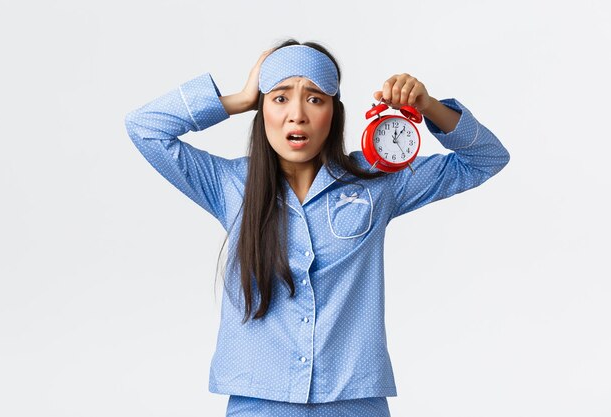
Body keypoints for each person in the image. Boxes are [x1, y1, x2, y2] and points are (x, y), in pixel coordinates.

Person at [124, 38, 510, 417]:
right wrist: (239, 99)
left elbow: (487, 159)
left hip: (354, 400)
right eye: (279, 97)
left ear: (333, 112)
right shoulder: (228, 186)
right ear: (262, 110)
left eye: (314, 98)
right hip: (258, 402)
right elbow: (144, 128)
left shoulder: (378, 182)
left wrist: (429, 107)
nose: (297, 114)